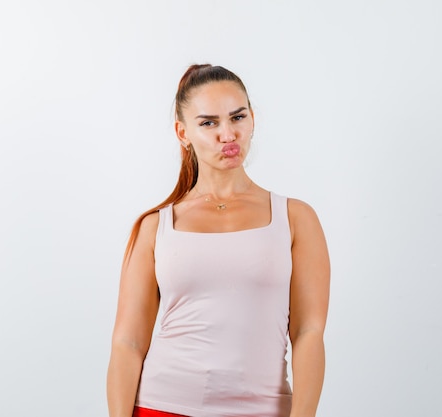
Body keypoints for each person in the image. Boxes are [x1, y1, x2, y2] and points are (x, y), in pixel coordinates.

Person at [106, 64, 330, 417]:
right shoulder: (156, 226)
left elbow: (308, 333)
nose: (228, 134)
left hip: (264, 408)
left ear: (253, 119)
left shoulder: (296, 218)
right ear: (183, 133)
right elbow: (128, 342)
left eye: (237, 117)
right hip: (163, 404)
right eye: (208, 123)